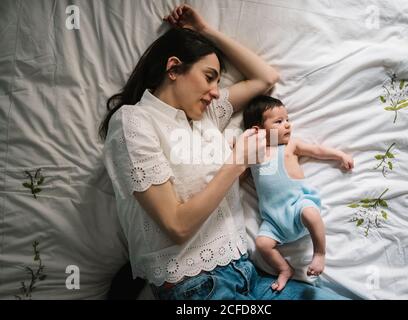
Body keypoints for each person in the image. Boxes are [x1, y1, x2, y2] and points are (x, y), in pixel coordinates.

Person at [100, 4, 344, 300]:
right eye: (209, 76)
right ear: (174, 68)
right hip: (195, 288)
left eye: (218, 81)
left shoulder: (207, 115)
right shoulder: (133, 121)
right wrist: (237, 162)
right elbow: (177, 225)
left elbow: (265, 77)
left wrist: (204, 32)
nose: (216, 91)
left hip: (248, 273)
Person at [243, 95, 354, 292]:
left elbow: (317, 151)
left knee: (311, 213)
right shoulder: (252, 154)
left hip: (298, 206)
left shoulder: (290, 146)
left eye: (287, 119)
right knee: (262, 244)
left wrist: (340, 155)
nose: (287, 125)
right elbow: (238, 172)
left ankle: (319, 253)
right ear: (257, 130)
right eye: (279, 121)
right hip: (273, 220)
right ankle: (284, 269)